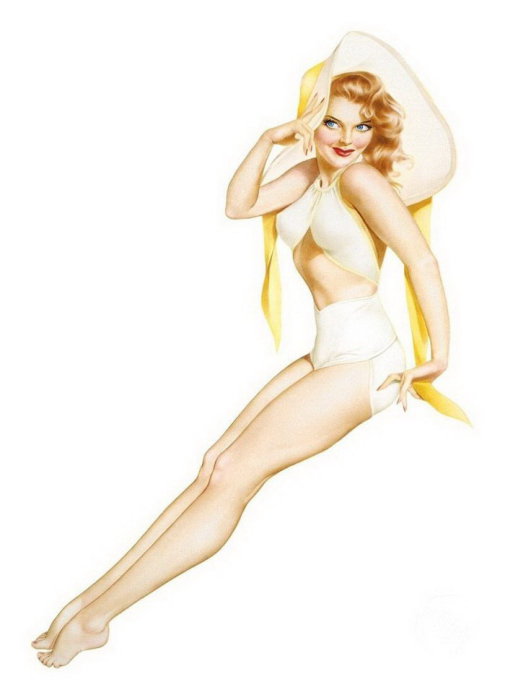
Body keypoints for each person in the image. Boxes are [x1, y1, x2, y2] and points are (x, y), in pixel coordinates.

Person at [32, 31, 470, 668]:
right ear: (313, 122)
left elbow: (421, 260)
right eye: (332, 122)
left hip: (363, 361)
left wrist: (440, 354)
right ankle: (84, 603)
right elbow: (240, 206)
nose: (346, 137)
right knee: (214, 463)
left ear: (375, 133)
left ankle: (97, 620)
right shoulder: (313, 176)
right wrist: (268, 139)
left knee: (235, 474)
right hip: (327, 351)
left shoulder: (362, 180)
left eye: (362, 125)